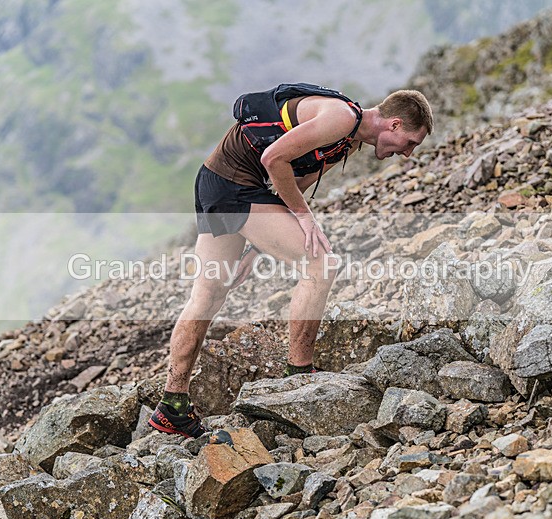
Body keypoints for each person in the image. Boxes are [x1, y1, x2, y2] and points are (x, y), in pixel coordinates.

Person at [148, 83, 433, 438]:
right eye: (410, 143)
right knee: (321, 264)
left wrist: (256, 245)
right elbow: (273, 161)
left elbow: (294, 180)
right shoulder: (342, 118)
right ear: (394, 125)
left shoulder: (351, 140)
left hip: (216, 182)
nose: (407, 154)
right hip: (236, 185)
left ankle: (171, 406)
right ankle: (299, 376)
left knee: (207, 297)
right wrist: (305, 217)